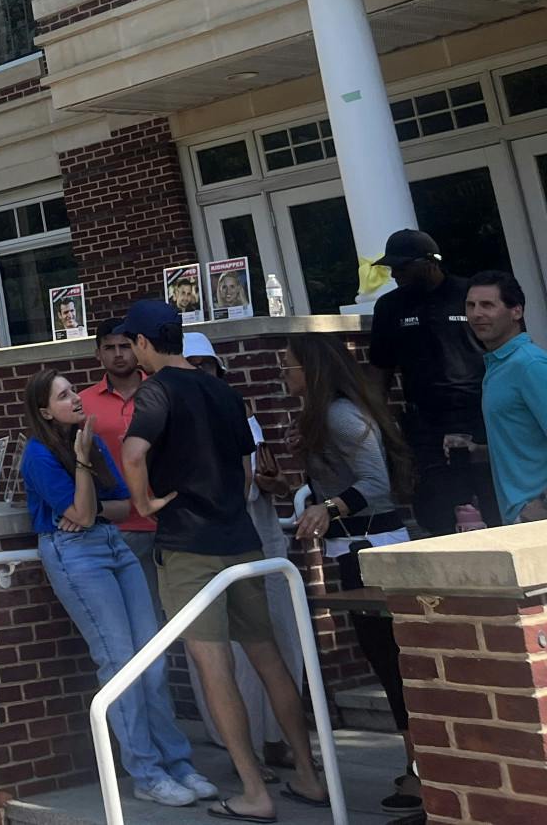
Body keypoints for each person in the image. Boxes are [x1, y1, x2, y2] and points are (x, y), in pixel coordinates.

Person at [120, 299, 326, 823]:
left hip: (189, 546)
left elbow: (133, 453)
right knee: (268, 656)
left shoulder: (156, 390)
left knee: (214, 666)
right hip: (242, 541)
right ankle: (308, 774)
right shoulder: (226, 392)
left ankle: (254, 791)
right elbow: (246, 465)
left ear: (143, 342)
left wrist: (144, 503)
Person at [18, 370, 211, 809]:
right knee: (119, 661)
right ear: (45, 411)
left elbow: (124, 508)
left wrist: (90, 505)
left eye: (74, 390)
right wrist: (83, 472)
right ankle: (147, 773)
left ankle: (178, 763)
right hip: (73, 554)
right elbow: (82, 516)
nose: (76, 398)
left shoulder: (90, 440)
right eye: (64, 395)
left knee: (151, 658)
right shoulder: (39, 455)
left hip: (113, 545)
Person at [281, 336, 422, 813]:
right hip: (357, 545)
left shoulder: (340, 415)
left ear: (312, 371)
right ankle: (417, 767)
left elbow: (376, 484)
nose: (284, 374)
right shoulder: (331, 415)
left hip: (371, 546)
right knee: (387, 662)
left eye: (289, 366)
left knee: (392, 663)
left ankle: (419, 775)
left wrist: (328, 507)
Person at [182, 335, 304, 776]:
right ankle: (243, 750)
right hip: (211, 544)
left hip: (261, 539)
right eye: (191, 364)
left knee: (280, 640)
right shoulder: (170, 419)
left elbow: (270, 482)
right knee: (226, 653)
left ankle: (280, 741)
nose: (201, 372)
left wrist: (274, 482)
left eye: (207, 364)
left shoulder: (242, 412)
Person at [367, 229, 498, 534]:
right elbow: (380, 371)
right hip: (426, 423)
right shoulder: (389, 307)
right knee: (437, 508)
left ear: (430, 262)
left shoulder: (469, 295)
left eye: (402, 267)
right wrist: (378, 423)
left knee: (492, 500)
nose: (395, 274)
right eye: (391, 268)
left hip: (479, 414)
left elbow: (500, 349)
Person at [78, 326, 158, 600]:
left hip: (168, 519)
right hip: (115, 526)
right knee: (139, 612)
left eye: (125, 346)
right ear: (98, 354)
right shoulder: (82, 403)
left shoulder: (162, 390)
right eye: (109, 348)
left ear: (137, 347)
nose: (118, 354)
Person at [465, 270, 547, 523]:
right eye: (471, 305)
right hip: (521, 521)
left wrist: (542, 504)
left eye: (487, 305)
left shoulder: (529, 364)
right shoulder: (499, 366)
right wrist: (479, 451)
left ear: (516, 311)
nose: (476, 314)